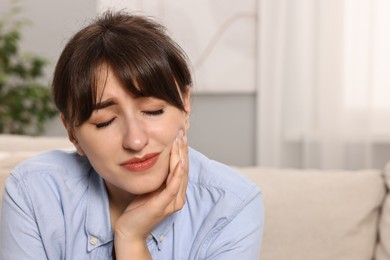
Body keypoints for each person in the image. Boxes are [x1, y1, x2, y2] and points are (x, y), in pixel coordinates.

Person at [0, 11, 264, 259]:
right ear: (72, 132)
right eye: (104, 122)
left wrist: (131, 239)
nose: (135, 141)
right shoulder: (33, 193)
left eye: (153, 111)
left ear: (185, 105)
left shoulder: (231, 207)